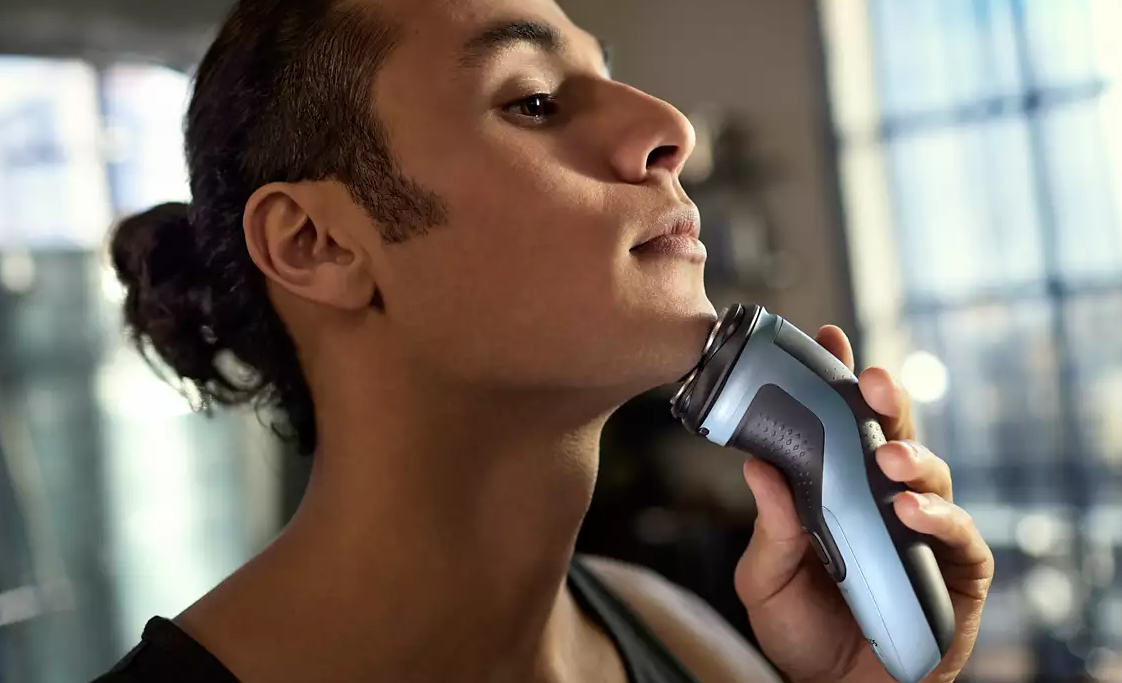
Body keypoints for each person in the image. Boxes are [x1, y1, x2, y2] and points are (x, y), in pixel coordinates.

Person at [93, 0, 994, 680]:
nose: (670, 129)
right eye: (533, 101)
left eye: (607, 73)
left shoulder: (677, 637)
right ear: (316, 243)